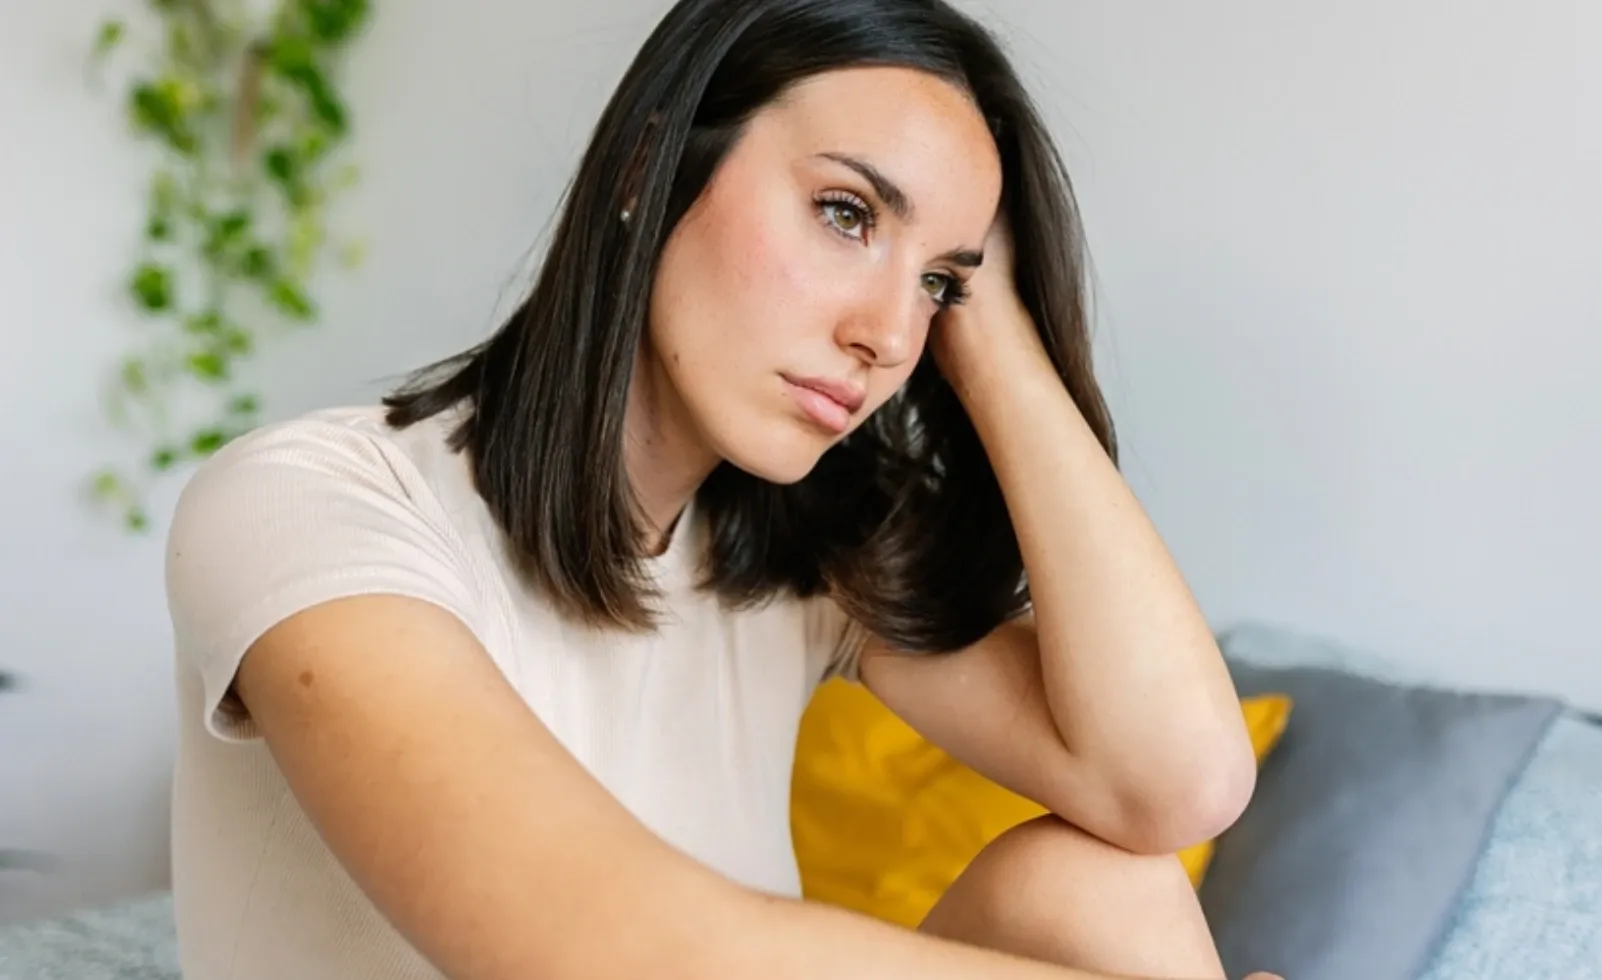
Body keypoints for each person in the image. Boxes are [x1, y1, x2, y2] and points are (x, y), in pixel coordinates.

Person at [164, 1, 1279, 978]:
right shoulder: (310, 503)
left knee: (1102, 891)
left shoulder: (798, 568)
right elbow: (597, 949)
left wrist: (994, 340)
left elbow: (1174, 785)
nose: (889, 337)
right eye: (848, 213)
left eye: (938, 282)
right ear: (649, 170)